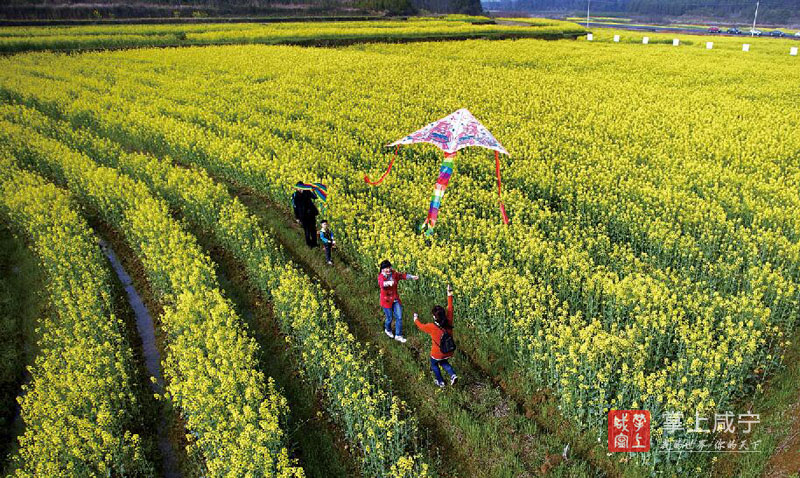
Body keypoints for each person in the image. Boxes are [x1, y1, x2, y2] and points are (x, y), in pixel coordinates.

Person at [414, 284, 458, 387]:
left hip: (437, 353)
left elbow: (420, 326)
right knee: (443, 362)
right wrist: (449, 293)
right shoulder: (449, 321)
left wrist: (415, 319)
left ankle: (441, 382)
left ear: (434, 317)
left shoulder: (431, 327)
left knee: (434, 364)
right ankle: (453, 375)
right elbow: (450, 307)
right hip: (449, 351)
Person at [378, 259, 418, 343]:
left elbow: (402, 276)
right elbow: (381, 284)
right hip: (386, 301)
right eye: (386, 268)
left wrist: (412, 277)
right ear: (382, 269)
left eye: (389, 267)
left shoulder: (394, 274)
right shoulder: (381, 276)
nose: (388, 269)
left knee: (399, 317)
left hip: (395, 299)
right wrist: (389, 283)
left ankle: (398, 335)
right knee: (389, 318)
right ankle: (388, 330)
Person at [291, 182, 319, 248]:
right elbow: (294, 207)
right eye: (299, 187)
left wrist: (313, 191)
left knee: (313, 229)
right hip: (303, 215)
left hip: (311, 213)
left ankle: (315, 243)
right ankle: (309, 244)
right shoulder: (295, 195)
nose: (300, 189)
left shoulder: (307, 192)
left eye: (301, 187)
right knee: (307, 230)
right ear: (296, 188)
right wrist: (297, 217)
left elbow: (315, 197)